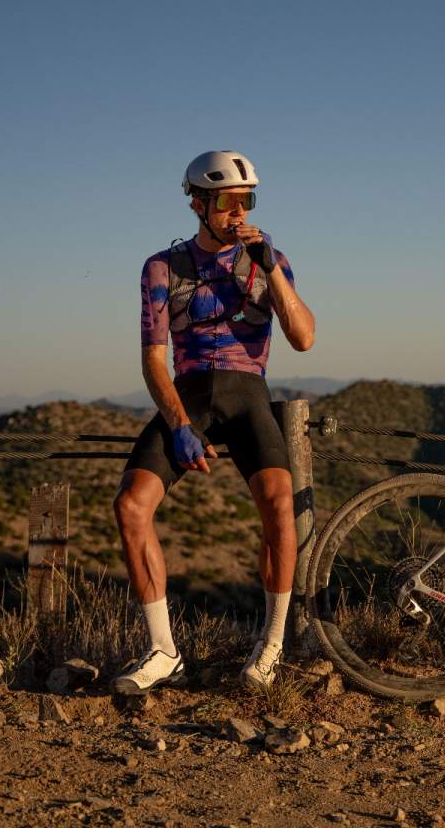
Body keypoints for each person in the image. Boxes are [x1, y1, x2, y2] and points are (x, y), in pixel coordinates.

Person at [111, 150, 316, 695]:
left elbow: (303, 337)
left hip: (248, 391)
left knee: (279, 502)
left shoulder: (268, 259)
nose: (237, 212)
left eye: (246, 201)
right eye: (226, 202)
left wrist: (271, 268)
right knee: (131, 506)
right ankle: (163, 651)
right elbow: (153, 358)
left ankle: (271, 647)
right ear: (198, 204)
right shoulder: (162, 267)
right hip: (190, 392)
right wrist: (177, 423)